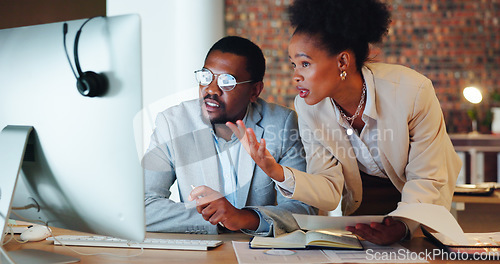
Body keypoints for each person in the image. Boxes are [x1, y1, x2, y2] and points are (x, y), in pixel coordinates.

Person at [227, 0, 461, 245]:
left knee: (419, 253)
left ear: (342, 62)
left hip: (423, 200)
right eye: (293, 64)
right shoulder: (308, 108)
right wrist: (277, 172)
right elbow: (328, 188)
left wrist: (404, 225)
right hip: (365, 200)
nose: (296, 76)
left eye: (305, 63)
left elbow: (426, 178)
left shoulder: (412, 92)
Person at [142, 36, 317, 237]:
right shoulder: (172, 124)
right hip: (202, 250)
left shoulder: (281, 124)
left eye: (227, 82)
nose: (211, 89)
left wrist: (244, 218)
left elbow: (305, 210)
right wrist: (218, 218)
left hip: (257, 252)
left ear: (254, 91)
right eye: (206, 77)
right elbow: (143, 206)